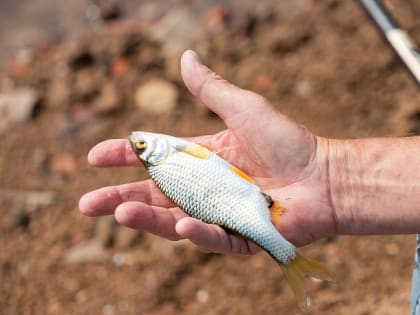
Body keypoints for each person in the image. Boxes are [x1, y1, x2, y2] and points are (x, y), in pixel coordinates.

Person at [79, 50, 420, 313]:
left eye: (140, 145)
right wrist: (327, 175)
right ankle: (292, 262)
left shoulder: (168, 159)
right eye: (142, 145)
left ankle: (293, 263)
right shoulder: (170, 157)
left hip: (241, 200)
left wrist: (328, 174)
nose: (142, 140)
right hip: (245, 200)